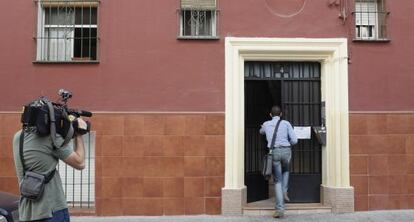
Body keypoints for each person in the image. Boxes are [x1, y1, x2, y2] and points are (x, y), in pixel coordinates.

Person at [12, 118, 87, 222]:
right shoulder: (51, 138)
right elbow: (80, 163)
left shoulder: (18, 137)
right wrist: (78, 133)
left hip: (26, 213)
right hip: (52, 211)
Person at [259, 105, 298, 218]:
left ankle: (280, 209)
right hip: (286, 151)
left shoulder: (266, 124)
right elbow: (295, 140)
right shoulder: (286, 123)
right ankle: (285, 191)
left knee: (277, 181)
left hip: (274, 152)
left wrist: (263, 127)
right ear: (280, 114)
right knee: (286, 170)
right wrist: (286, 145)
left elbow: (261, 132)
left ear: (270, 115)